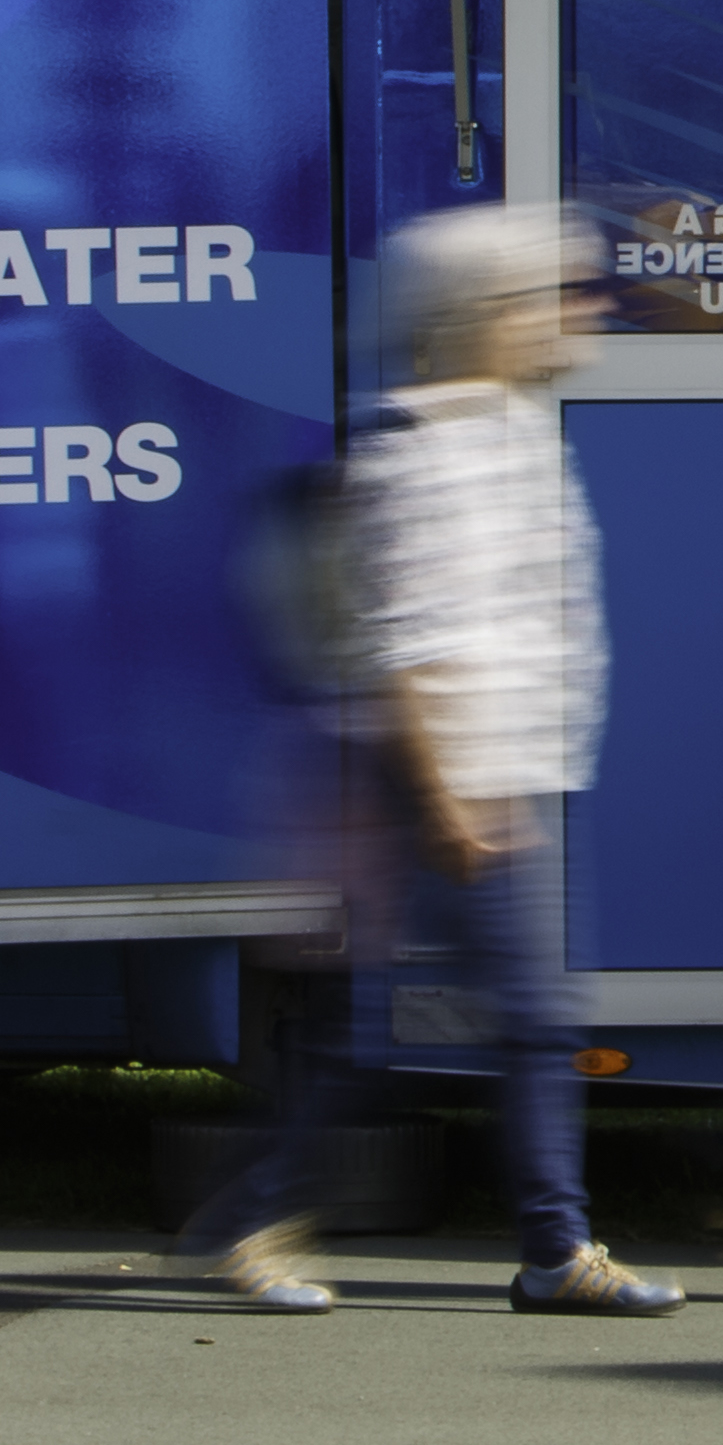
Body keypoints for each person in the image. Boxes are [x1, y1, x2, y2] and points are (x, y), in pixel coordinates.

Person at [220, 203, 680, 1319]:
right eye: (560, 292)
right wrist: (448, 797)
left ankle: (260, 1222)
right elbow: (405, 643)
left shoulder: (516, 429)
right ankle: (550, 1248)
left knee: (380, 1019)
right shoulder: (416, 449)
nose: (587, 307)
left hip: (520, 769)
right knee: (521, 1015)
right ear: (485, 314)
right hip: (458, 776)